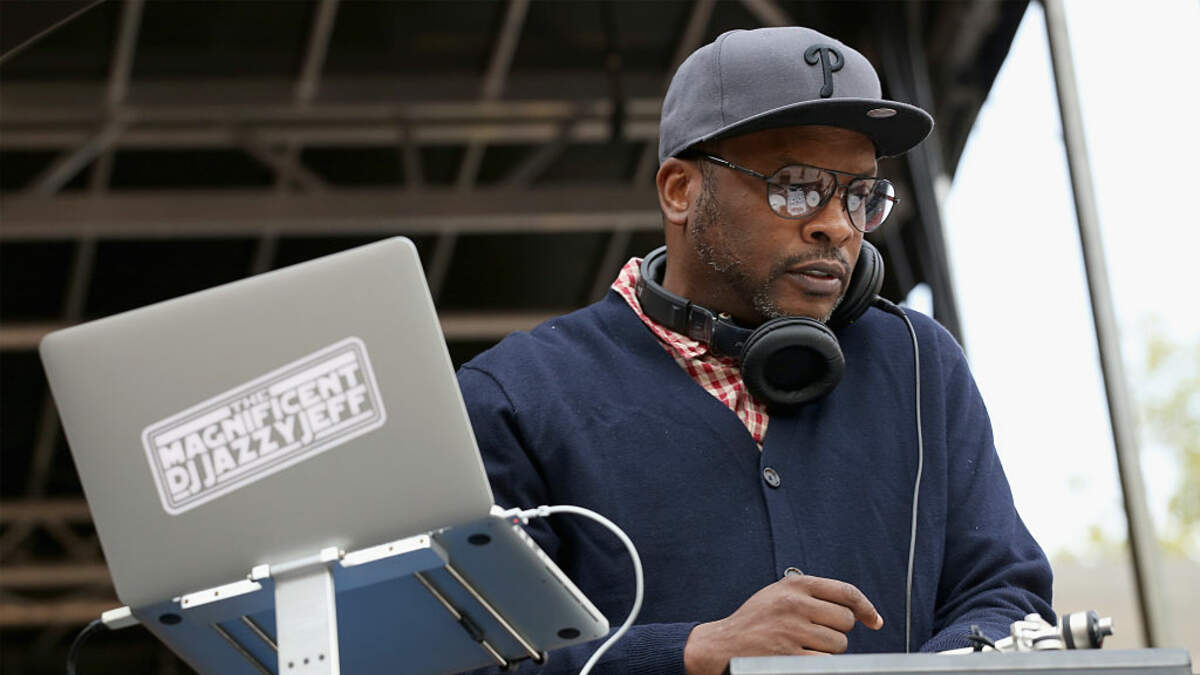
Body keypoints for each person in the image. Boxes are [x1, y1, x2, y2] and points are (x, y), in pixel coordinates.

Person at [457, 26, 1053, 674]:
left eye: (860, 195)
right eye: (795, 186)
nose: (836, 225)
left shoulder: (919, 365)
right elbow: (469, 654)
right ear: (680, 190)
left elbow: (1006, 599)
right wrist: (691, 653)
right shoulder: (515, 395)